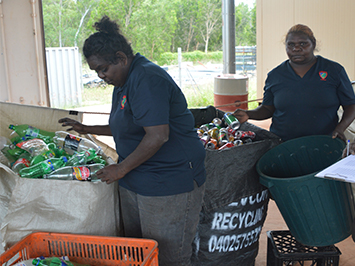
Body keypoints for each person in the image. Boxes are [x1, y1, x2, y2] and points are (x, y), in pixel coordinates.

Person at [59, 16, 206, 266]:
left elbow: (158, 135)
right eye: (96, 71)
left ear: (122, 58)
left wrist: (120, 169)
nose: (101, 76)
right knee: (138, 253)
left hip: (168, 181)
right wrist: (86, 128)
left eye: (103, 69)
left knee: (169, 256)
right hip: (136, 178)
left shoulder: (147, 79)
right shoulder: (123, 80)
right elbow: (127, 126)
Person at [233, 24, 355, 142]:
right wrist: (248, 114)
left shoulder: (334, 70)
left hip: (324, 142)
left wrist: (340, 128)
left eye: (303, 43)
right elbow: (267, 108)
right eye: (291, 45)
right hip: (283, 144)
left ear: (313, 44)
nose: (296, 48)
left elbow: (351, 106)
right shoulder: (275, 75)